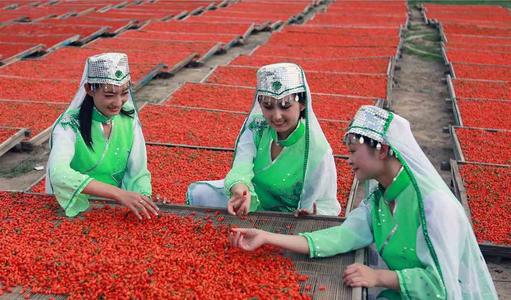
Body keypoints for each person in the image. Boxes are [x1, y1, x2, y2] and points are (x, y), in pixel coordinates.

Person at [230, 105, 497, 299]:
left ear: (381, 150)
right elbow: (341, 236)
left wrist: (380, 277)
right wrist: (267, 237)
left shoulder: (434, 206)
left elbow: (442, 286)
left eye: (354, 152)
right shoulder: (379, 200)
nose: (349, 160)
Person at [187, 63, 341, 216]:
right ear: (260, 104)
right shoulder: (257, 127)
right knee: (200, 194)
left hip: (289, 214)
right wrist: (240, 189)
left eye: (285, 106)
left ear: (302, 104)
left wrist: (308, 214)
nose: (276, 116)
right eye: (268, 106)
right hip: (253, 200)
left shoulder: (316, 148)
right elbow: (242, 164)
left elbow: (322, 201)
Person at [46, 52, 158, 220]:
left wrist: (143, 197)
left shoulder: (128, 120)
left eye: (124, 93)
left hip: (113, 211)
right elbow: (58, 173)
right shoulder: (68, 125)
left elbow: (138, 170)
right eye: (109, 95)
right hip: (75, 205)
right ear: (89, 89)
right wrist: (118, 194)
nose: (119, 102)